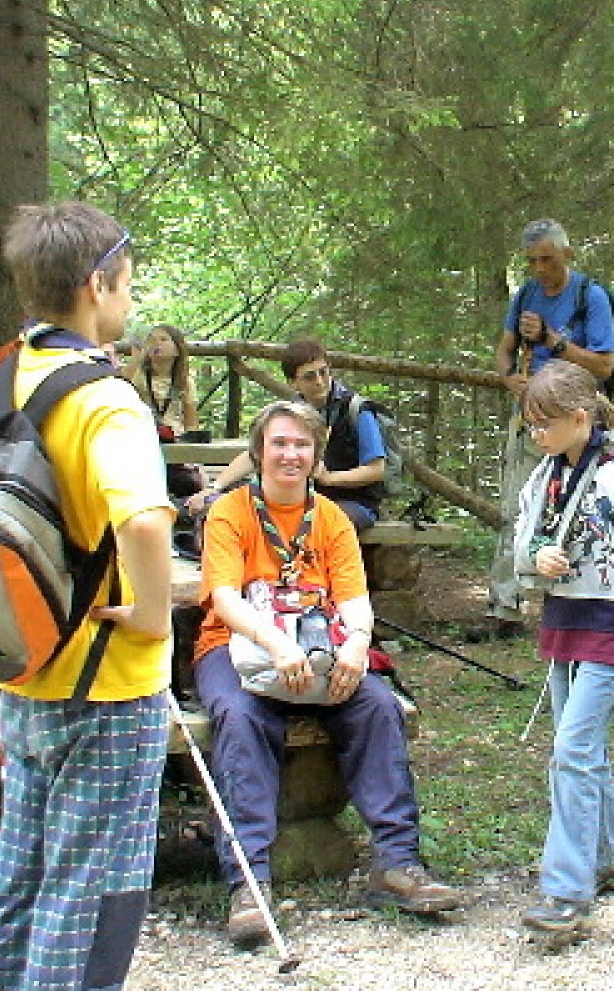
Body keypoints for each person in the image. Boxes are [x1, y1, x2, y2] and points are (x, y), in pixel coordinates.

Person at [0, 202, 176, 990]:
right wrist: (155, 617)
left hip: (21, 665)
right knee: (88, 889)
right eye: (125, 282)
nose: (129, 296)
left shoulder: (3, 375)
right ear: (97, 285)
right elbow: (146, 523)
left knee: (20, 873)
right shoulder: (103, 397)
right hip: (105, 682)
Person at [193, 399, 461, 948]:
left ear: (316, 455)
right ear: (258, 451)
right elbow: (224, 598)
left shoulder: (332, 519)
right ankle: (250, 880)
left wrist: (358, 646)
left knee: (378, 706)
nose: (290, 454)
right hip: (237, 647)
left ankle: (397, 863)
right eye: (279, 443)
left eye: (301, 445)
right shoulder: (230, 512)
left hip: (320, 646)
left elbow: (354, 600)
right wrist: (275, 646)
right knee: (241, 718)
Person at [511, 361, 614, 938]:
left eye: (544, 425)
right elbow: (522, 547)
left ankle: (565, 891)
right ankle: (607, 857)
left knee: (571, 750)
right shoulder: (543, 478)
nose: (537, 437)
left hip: (612, 626)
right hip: (563, 622)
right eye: (531, 426)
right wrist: (538, 558)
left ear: (580, 418)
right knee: (585, 750)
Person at [490, 219, 614, 628]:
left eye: (547, 259)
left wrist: (552, 342)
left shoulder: (590, 297)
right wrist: (512, 381)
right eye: (532, 261)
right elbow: (505, 351)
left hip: (577, 423)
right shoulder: (526, 295)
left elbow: (604, 363)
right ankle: (507, 605)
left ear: (568, 254)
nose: (540, 269)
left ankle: (571, 601)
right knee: (518, 505)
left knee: (575, 507)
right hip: (532, 416)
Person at [198, 339, 387, 532]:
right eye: (309, 377)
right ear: (293, 383)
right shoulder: (294, 411)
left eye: (323, 372)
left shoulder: (357, 410)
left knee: (311, 521)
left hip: (356, 503)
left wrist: (330, 478)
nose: (320, 381)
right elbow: (255, 454)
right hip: (305, 498)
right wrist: (216, 486)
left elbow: (376, 469)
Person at [125, 323, 200, 441]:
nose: (156, 343)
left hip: (175, 438)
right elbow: (121, 386)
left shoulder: (184, 381)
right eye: (152, 340)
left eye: (163, 339)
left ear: (177, 350)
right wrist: (135, 359)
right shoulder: (138, 375)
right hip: (142, 437)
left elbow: (191, 423)